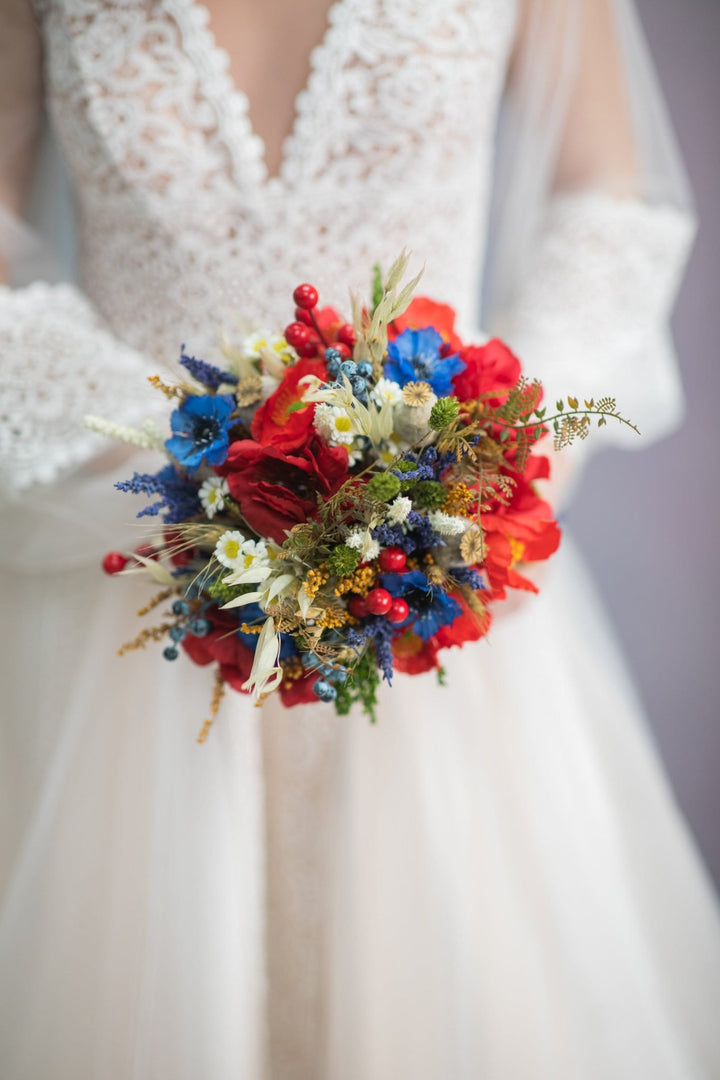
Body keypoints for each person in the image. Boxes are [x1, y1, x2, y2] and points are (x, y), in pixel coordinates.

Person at [1, 0, 719, 1077]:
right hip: (138, 571)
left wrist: (489, 472)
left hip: (433, 579)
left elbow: (610, 199)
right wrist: (178, 470)